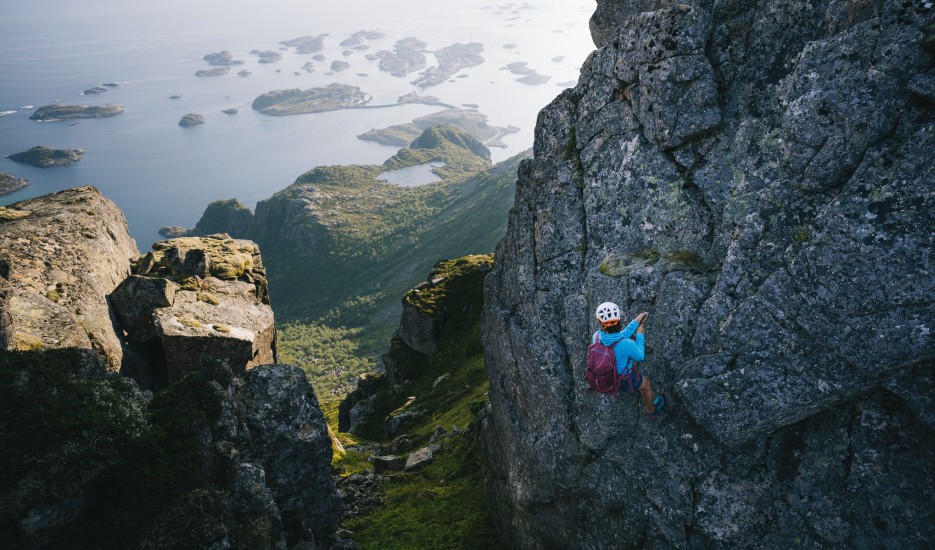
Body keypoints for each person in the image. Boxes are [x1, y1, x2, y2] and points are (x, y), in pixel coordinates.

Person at [592, 301, 665, 417]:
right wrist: (640, 335)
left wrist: (636, 321)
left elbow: (617, 338)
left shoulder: (596, 337)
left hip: (605, 377)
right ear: (618, 320)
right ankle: (651, 410)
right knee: (646, 385)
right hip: (623, 380)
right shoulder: (627, 343)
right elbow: (640, 356)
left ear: (600, 322)